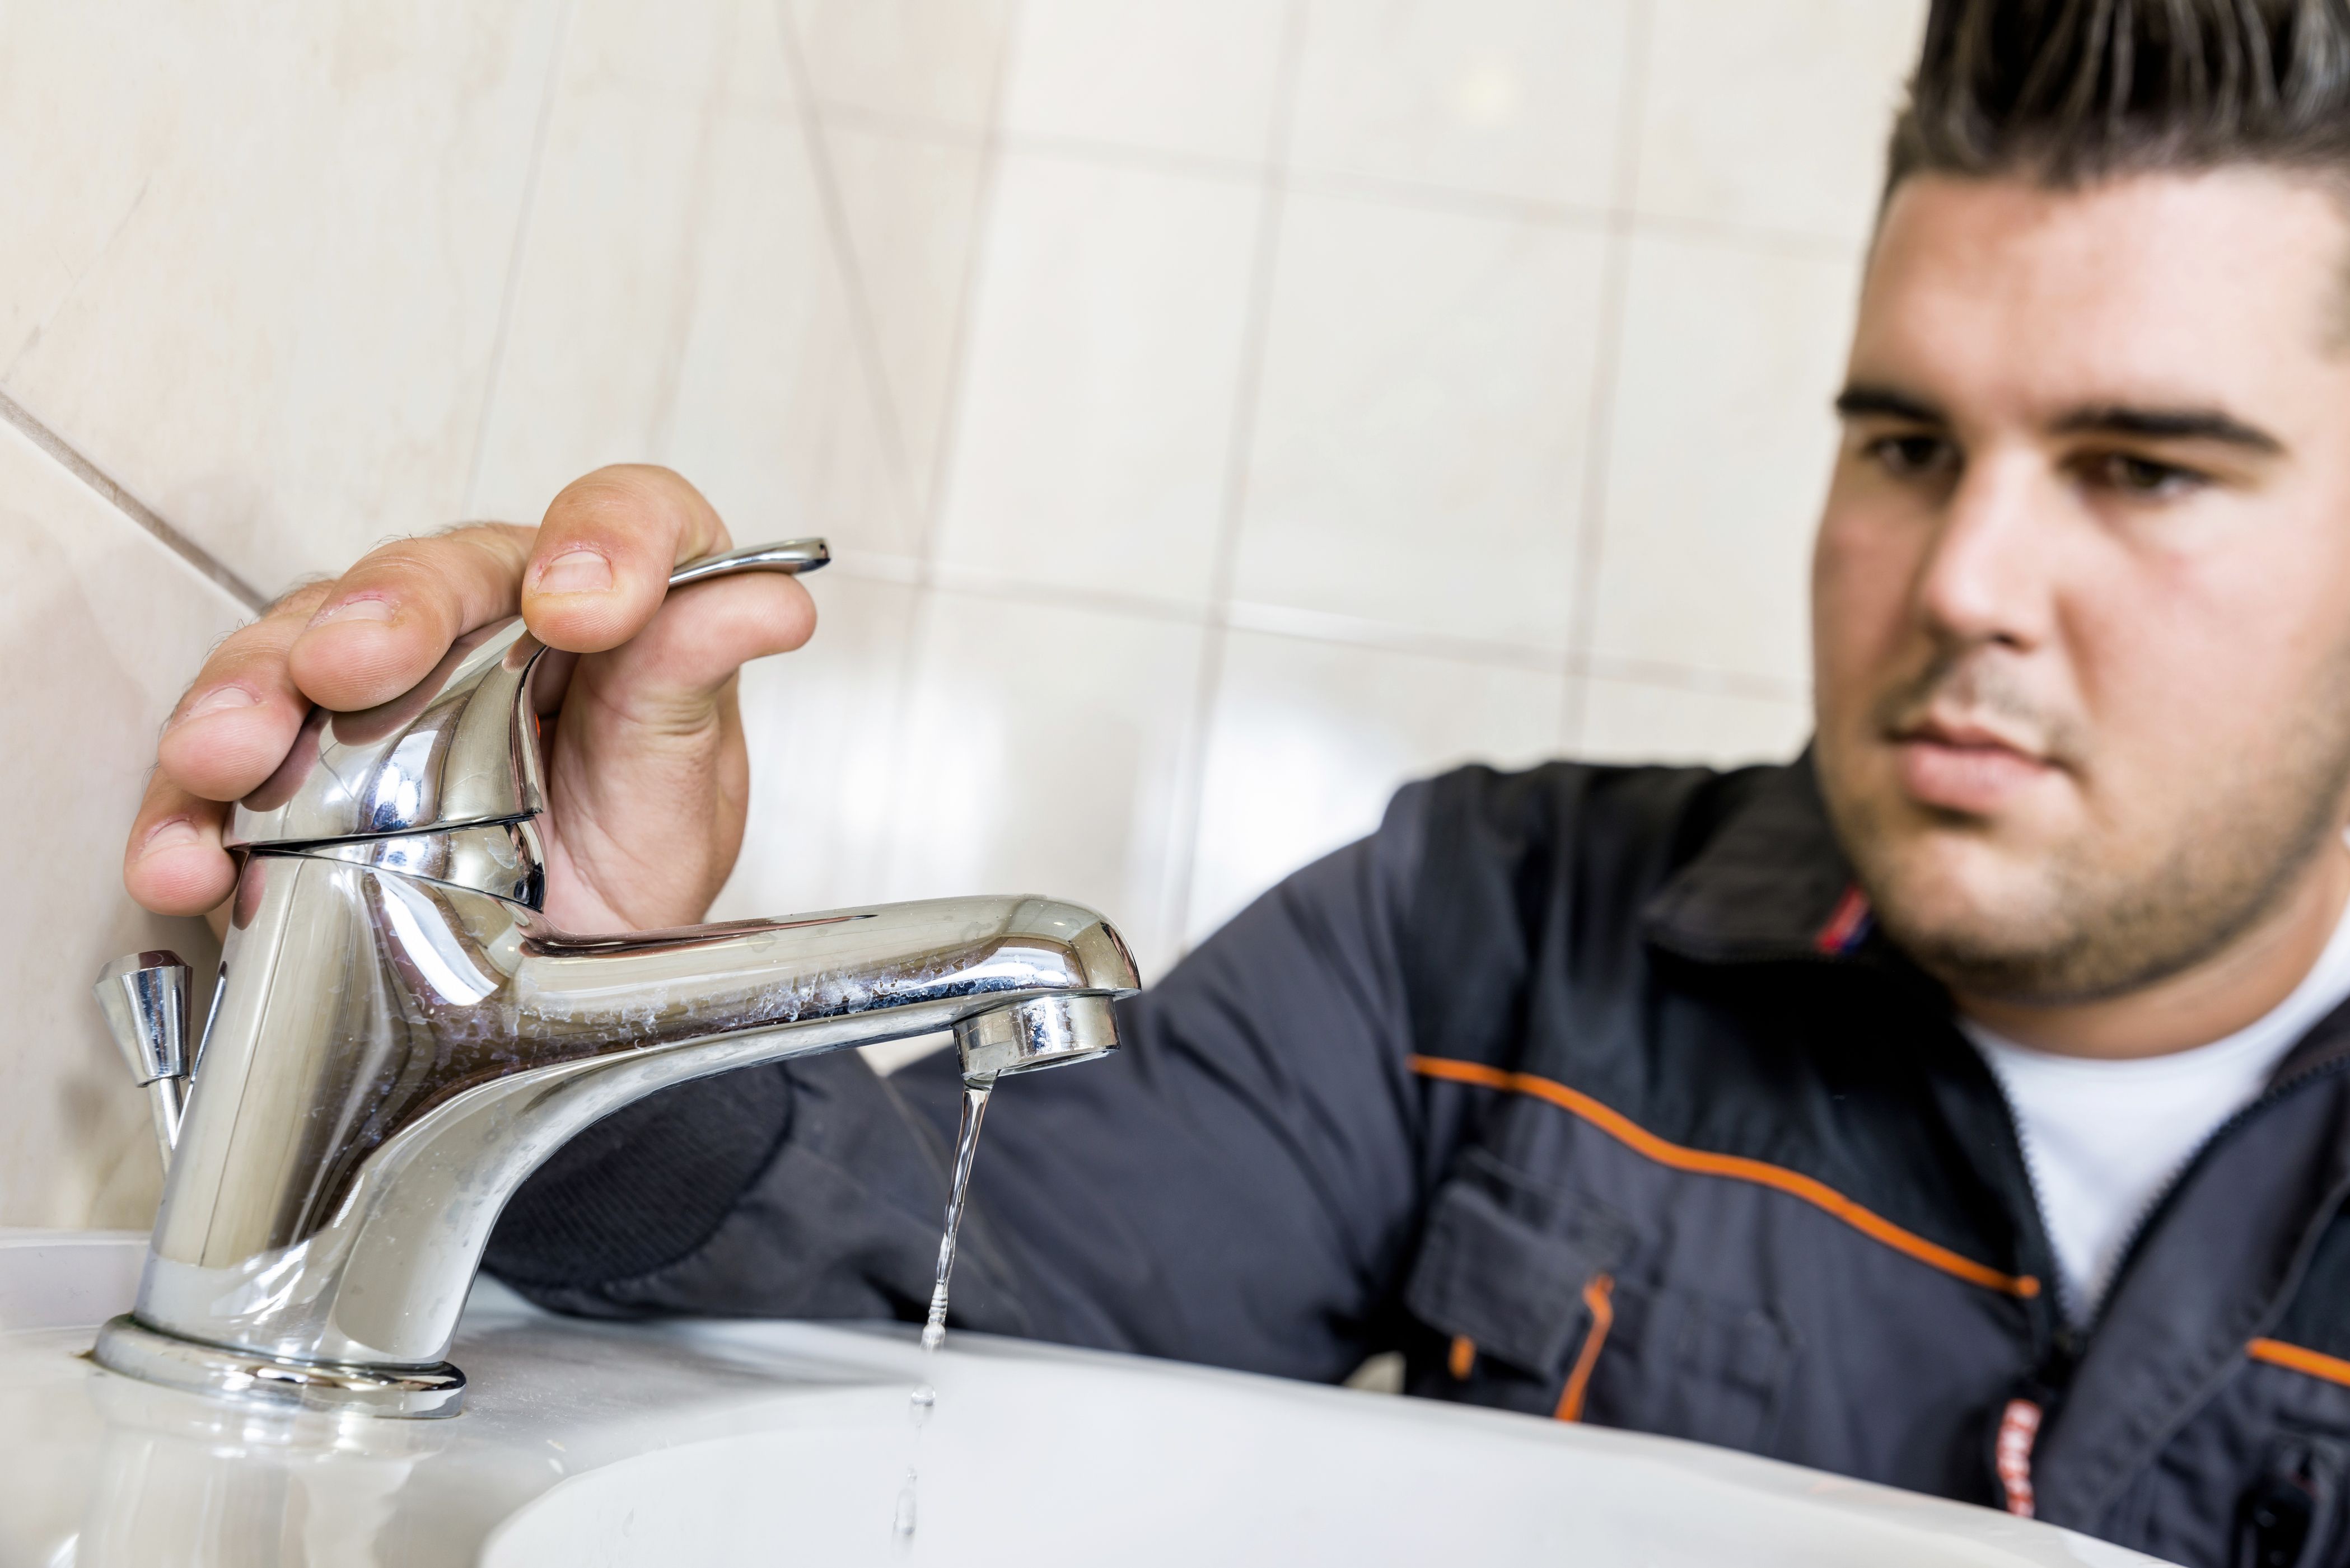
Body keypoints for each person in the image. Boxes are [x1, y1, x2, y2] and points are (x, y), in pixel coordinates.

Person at [119, 2, 2350, 1562]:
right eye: (1903, 442)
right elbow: (931, 1288)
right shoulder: (1493, 928)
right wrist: (582, 989)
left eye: (2145, 468)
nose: (1962, 574)